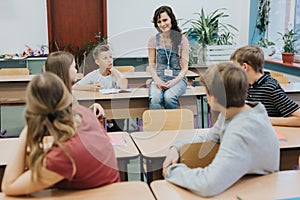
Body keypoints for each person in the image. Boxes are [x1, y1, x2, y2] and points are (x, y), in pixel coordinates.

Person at [162, 62, 279, 197]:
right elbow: (207, 140)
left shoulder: (241, 131)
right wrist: (177, 148)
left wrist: (173, 170)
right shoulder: (237, 111)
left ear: (213, 98)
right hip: (241, 187)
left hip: (255, 194)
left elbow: (208, 185)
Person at [1, 73, 120, 196]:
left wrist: (26, 131)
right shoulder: (83, 113)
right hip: (106, 194)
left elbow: (9, 186)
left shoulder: (65, 154)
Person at [230, 45, 300, 127]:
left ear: (244, 67)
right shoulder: (244, 85)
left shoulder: (270, 87)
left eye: (235, 67)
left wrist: (264, 119)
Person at [147, 5, 189, 109]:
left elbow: (185, 68)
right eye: (159, 22)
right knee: (155, 98)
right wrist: (157, 80)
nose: (162, 24)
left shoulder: (182, 40)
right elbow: (151, 65)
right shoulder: (153, 40)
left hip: (178, 79)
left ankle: (172, 125)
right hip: (159, 78)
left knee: (169, 97)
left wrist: (173, 82)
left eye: (165, 20)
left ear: (171, 19)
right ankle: (156, 125)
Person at [45, 51, 105, 120]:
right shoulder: (60, 99)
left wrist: (90, 110)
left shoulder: (61, 93)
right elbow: (73, 123)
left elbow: (75, 117)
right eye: (74, 67)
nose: (76, 70)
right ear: (65, 71)